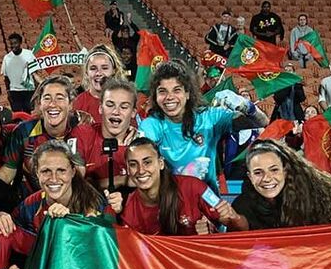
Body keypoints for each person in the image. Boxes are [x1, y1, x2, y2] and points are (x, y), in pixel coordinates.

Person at [139, 59, 268, 192]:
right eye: (162, 91)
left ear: (187, 93)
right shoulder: (151, 125)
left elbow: (261, 121)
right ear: (155, 96)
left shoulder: (209, 118)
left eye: (176, 90)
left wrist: (246, 106)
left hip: (208, 201)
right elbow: (143, 155)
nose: (169, 97)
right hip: (170, 201)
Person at [228, 140, 331, 230]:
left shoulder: (316, 190)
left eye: (274, 170)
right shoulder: (243, 205)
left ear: (285, 170)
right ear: (250, 176)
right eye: (258, 172)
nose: (267, 178)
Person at [121, 138, 237, 236]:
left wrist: (230, 219)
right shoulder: (127, 209)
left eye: (147, 162)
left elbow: (235, 225)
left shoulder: (194, 187)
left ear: (161, 164)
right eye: (133, 164)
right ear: (128, 169)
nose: (141, 170)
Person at [13, 140, 121, 234]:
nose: (54, 179)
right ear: (37, 173)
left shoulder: (95, 203)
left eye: (61, 170)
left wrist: (71, 223)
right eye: (46, 171)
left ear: (73, 172)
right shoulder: (29, 207)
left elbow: (107, 243)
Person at [73, 45, 124, 122]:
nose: (99, 73)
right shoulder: (77, 103)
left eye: (104, 68)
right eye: (93, 68)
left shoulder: (124, 101)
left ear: (114, 70)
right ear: (86, 72)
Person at [1, 33, 36, 113]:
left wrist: (36, 90)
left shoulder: (29, 54)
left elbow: (35, 73)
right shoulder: (7, 58)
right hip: (14, 91)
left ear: (20, 43)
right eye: (11, 43)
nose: (13, 45)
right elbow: (6, 77)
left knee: (28, 114)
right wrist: (8, 92)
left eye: (15, 43)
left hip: (28, 90)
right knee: (17, 115)